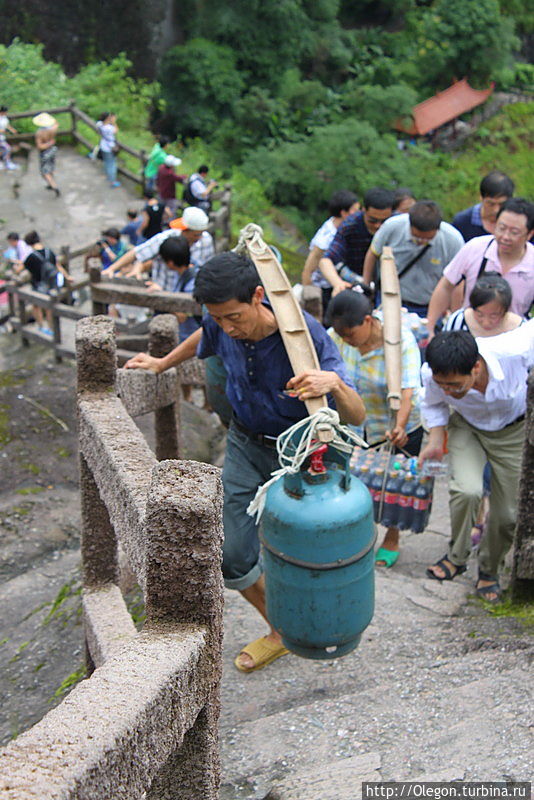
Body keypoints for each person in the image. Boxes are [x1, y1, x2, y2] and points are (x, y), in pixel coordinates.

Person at [124, 252, 365, 672]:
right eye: (218, 318)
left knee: (309, 547)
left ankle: (326, 624)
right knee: (232, 554)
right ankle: (283, 629)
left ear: (259, 296)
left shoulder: (302, 338)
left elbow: (357, 415)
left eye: (234, 316)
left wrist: (335, 384)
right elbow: (204, 337)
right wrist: (162, 363)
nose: (228, 328)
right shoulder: (221, 325)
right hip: (245, 442)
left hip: (302, 454)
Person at [420, 323, 534, 603]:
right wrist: (435, 441)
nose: (448, 391)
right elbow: (433, 403)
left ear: (476, 368)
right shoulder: (431, 374)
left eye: (455, 385)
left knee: (507, 514)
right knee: (466, 490)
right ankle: (457, 556)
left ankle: (489, 569)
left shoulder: (515, 351)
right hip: (467, 427)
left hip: (513, 432)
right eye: (442, 384)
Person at [328, 286, 423, 568]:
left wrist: (401, 425)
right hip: (358, 425)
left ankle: (392, 537)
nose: (347, 340)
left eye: (351, 334)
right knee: (356, 481)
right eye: (342, 335)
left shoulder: (400, 341)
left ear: (368, 321)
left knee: (395, 484)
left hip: (397, 424)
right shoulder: (338, 337)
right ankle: (359, 536)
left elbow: (408, 390)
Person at [444, 272, 523, 547]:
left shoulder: (519, 332)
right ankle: (472, 528)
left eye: (495, 316)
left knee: (500, 488)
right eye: (481, 315)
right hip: (468, 416)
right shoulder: (457, 322)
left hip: (508, 420)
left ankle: (490, 533)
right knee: (469, 484)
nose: (488, 322)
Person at [426, 198, 534, 336]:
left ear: (529, 234)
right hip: (470, 332)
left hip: (513, 338)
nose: (505, 236)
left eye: (514, 232)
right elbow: (446, 286)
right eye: (501, 228)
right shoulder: (475, 247)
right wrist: (429, 327)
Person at [362, 200, 464, 317]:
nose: (421, 242)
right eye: (416, 238)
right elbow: (373, 253)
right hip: (389, 300)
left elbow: (457, 281)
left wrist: (454, 313)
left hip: (428, 306)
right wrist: (366, 287)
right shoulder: (392, 227)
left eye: (426, 240)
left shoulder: (453, 240)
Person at [318, 187, 394, 294]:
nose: (378, 226)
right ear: (363, 210)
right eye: (372, 220)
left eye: (384, 221)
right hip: (355, 282)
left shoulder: (397, 225)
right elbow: (326, 260)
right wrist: (338, 283)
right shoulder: (350, 226)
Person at [102, 206, 214, 278]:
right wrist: (112, 269)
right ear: (184, 229)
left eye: (201, 233)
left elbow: (208, 266)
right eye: (196, 234)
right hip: (163, 289)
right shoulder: (165, 239)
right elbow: (137, 252)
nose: (200, 237)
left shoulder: (206, 240)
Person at [301, 190, 360, 313]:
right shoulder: (326, 237)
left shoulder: (341, 228)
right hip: (323, 288)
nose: (358, 214)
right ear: (344, 213)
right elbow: (309, 267)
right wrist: (308, 290)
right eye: (355, 211)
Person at [14, 231, 72, 334]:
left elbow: (19, 269)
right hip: (52, 284)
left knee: (36, 305)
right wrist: (67, 277)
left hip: (38, 285)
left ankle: (41, 326)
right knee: (50, 307)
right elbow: (57, 266)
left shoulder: (31, 256)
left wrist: (15, 267)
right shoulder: (49, 252)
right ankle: (52, 328)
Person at [452, 171, 515, 242]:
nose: (496, 210)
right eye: (491, 204)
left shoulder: (518, 221)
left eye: (501, 204)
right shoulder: (462, 222)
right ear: (481, 198)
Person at [32, 112, 60, 196]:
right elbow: (56, 124)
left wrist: (47, 144)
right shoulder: (52, 129)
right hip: (52, 150)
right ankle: (50, 184)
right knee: (50, 167)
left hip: (45, 153)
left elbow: (40, 146)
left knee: (45, 172)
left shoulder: (39, 133)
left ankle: (54, 186)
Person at [99, 112, 120, 187]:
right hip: (110, 147)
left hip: (103, 145)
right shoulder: (109, 128)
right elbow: (116, 130)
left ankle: (108, 177)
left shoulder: (100, 124)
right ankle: (113, 181)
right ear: (108, 118)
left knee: (106, 162)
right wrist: (114, 122)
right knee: (112, 164)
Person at [0, 106, 19, 171]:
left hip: (2, 137)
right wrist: (5, 131)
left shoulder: (4, 117)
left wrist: (12, 130)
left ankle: (5, 162)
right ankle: (7, 163)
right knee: (7, 148)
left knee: (3, 150)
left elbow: (6, 125)